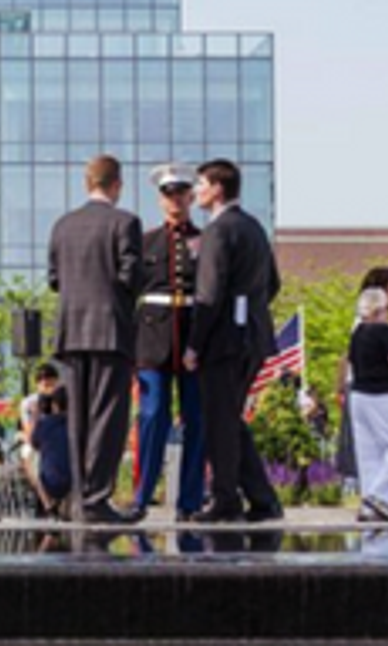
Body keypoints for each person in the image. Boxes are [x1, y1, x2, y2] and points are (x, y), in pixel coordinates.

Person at [182, 158, 283, 523]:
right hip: (253, 338)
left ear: (218, 189)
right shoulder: (254, 228)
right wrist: (251, 312)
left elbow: (208, 294)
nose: (195, 192)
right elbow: (273, 284)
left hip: (223, 344)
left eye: (200, 185)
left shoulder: (217, 232)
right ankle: (262, 497)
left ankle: (225, 498)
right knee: (230, 419)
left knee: (219, 422)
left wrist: (194, 344)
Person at [46, 154, 142, 524]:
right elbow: (129, 276)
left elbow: (54, 279)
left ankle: (78, 496)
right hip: (110, 332)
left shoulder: (63, 225)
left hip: (72, 332)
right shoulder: (125, 222)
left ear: (88, 184)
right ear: (116, 185)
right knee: (107, 417)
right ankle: (96, 498)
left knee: (79, 420)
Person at [133, 163, 205, 522]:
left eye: (181, 193)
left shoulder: (204, 241)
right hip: (152, 340)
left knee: (196, 418)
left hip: (193, 337)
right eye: (168, 194)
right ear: (160, 200)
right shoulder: (144, 242)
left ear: (191, 196)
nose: (174, 199)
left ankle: (190, 502)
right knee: (151, 415)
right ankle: (141, 497)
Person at [346, 287, 388, 523]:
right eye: (387, 309)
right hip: (382, 395)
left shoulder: (357, 332)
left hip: (359, 396)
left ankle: (370, 507)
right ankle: (377, 497)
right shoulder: (384, 332)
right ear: (378, 310)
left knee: (368, 455)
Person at [27, 388, 72, 517]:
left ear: (54, 405)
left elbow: (33, 443)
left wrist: (35, 416)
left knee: (31, 458)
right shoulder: (77, 423)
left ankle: (48, 506)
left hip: (48, 482)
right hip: (74, 482)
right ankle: (66, 506)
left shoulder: (44, 423)